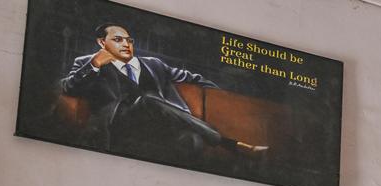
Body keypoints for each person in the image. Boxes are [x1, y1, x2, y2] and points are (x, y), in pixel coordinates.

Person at [61, 24, 267, 159]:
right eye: (118, 39)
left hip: (160, 127)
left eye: (129, 40)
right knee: (149, 99)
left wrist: (223, 96)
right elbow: (69, 87)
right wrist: (95, 64)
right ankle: (232, 144)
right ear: (101, 42)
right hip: (118, 124)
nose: (126, 44)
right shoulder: (88, 63)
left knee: (192, 140)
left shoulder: (154, 64)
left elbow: (191, 77)